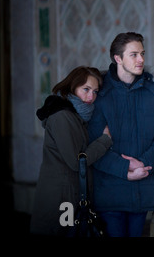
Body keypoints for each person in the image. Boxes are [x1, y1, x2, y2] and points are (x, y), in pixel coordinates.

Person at [88, 32, 154, 237]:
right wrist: (126, 168)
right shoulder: (99, 95)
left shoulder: (153, 93)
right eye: (134, 54)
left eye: (142, 53)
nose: (141, 59)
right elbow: (92, 145)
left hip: (143, 190)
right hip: (110, 193)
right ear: (118, 58)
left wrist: (142, 164)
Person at [30, 66, 112, 236]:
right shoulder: (62, 117)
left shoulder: (76, 115)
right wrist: (104, 141)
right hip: (61, 198)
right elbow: (77, 161)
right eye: (86, 89)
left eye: (95, 91)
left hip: (70, 194)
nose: (91, 97)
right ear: (72, 87)